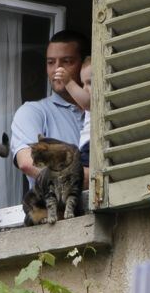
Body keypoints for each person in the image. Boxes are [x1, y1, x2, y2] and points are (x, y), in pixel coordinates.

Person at [10, 30, 91, 188]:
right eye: (51, 62)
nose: (57, 69)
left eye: (67, 61)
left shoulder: (98, 110)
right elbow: (28, 163)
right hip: (54, 210)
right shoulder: (33, 112)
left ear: (84, 64)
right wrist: (95, 179)